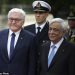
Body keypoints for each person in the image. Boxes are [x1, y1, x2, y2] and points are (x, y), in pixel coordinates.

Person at [0, 8, 36, 75]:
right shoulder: (1, 35)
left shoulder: (31, 38)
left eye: (17, 20)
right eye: (11, 19)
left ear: (23, 22)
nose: (13, 22)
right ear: (8, 20)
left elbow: (32, 64)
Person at [24, 1, 51, 74]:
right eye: (36, 12)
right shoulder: (26, 29)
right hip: (29, 69)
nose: (38, 15)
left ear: (47, 14)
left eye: (41, 13)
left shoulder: (51, 30)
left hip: (45, 69)